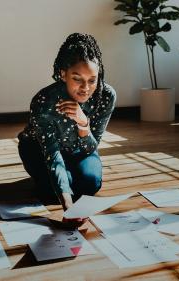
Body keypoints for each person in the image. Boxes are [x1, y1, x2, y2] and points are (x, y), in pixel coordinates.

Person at [17, 32, 116, 223]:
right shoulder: (43, 101)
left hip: (78, 149)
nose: (85, 88)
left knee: (91, 183)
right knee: (51, 192)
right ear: (63, 74)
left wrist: (83, 122)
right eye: (77, 78)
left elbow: (90, 147)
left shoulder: (106, 96)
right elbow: (52, 155)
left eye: (92, 80)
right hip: (38, 149)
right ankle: (60, 179)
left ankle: (68, 176)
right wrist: (68, 207)